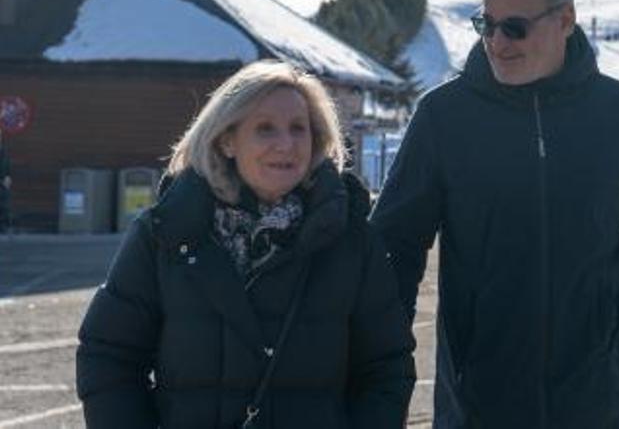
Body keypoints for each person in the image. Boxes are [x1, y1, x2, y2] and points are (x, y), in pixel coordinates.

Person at [372, 0, 619, 428]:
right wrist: (377, 374)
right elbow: (392, 251)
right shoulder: (444, 118)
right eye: (486, 25)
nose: (497, 42)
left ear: (565, 20)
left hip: (601, 398)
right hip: (480, 402)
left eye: (515, 27)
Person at [77, 60, 414, 428]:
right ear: (227, 140)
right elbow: (109, 356)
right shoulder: (164, 233)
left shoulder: (350, 240)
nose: (286, 144)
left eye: (298, 128)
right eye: (265, 129)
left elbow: (385, 368)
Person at [0, 129, 11, 232]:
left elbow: (7, 165)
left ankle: (2, 225)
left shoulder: (4, 151)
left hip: (2, 182)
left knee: (3, 203)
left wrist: (8, 176)